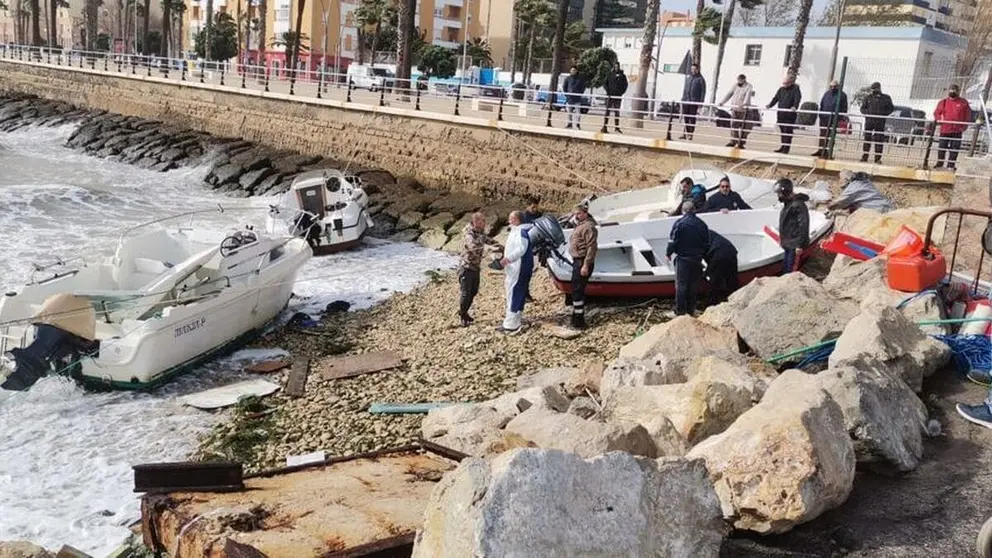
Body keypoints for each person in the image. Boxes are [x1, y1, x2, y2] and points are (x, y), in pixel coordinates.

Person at [457, 212, 503, 327]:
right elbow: (473, 247)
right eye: (482, 220)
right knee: (466, 293)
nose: (485, 222)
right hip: (466, 267)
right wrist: (489, 249)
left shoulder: (480, 232)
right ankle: (463, 315)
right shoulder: (469, 234)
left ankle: (464, 311)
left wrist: (498, 245)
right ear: (476, 222)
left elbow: (486, 239)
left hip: (475, 267)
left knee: (474, 291)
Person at [666, 201, 710, 316]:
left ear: (683, 211)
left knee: (681, 286)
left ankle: (680, 311)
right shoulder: (702, 224)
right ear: (694, 210)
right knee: (693, 285)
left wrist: (668, 253)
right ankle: (691, 310)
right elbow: (707, 243)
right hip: (697, 259)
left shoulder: (680, 224)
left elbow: (673, 241)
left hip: (683, 259)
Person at [498, 211, 534, 333]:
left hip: (518, 267)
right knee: (515, 291)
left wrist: (508, 259)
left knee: (514, 292)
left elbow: (521, 248)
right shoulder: (517, 231)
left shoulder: (521, 232)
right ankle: (514, 319)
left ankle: (510, 325)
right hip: (514, 267)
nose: (509, 221)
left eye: (511, 219)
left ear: (518, 220)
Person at [567, 203, 598, 329]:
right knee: (576, 290)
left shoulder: (589, 227)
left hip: (582, 261)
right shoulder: (580, 225)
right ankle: (575, 316)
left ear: (585, 213)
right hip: (577, 260)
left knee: (577, 291)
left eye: (579, 214)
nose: (576, 216)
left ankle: (579, 321)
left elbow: (591, 247)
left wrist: (585, 265)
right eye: (575, 214)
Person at [775, 178, 810, 274]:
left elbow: (803, 225)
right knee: (786, 267)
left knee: (790, 270)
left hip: (794, 244)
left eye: (779, 193)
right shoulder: (789, 203)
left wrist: (800, 245)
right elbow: (787, 224)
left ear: (786, 192)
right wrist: (782, 239)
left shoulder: (798, 204)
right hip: (788, 243)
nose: (778, 196)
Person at [933, 84, 972, 170]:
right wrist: (940, 120)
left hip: (957, 131)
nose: (952, 92)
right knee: (942, 147)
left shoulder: (963, 102)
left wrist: (964, 126)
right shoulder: (943, 102)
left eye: (954, 90)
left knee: (954, 149)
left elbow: (968, 115)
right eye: (951, 90)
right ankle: (940, 163)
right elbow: (936, 113)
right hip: (945, 130)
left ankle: (951, 165)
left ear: (958, 92)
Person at [828, 170, 894, 214]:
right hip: (888, 207)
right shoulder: (864, 182)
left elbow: (838, 203)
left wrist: (827, 206)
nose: (839, 181)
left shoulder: (852, 187)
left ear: (846, 180)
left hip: (879, 211)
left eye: (840, 179)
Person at [766, 73, 802, 154]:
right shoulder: (781, 89)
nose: (784, 85)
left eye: (786, 83)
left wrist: (794, 107)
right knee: (782, 131)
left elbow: (797, 99)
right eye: (783, 83)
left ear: (790, 83)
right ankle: (782, 146)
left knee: (788, 131)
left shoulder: (796, 89)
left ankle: (786, 148)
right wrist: (770, 105)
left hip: (789, 115)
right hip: (781, 114)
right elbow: (776, 98)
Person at [860, 81, 893, 164]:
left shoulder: (886, 98)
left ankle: (877, 158)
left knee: (879, 140)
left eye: (876, 88)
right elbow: (862, 109)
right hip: (869, 121)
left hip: (880, 122)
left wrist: (883, 114)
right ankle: (865, 156)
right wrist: (868, 113)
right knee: (867, 139)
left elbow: (890, 109)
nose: (874, 91)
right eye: (873, 89)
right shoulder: (868, 98)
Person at [813, 80, 848, 158]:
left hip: (834, 118)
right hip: (824, 117)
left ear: (838, 87)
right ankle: (821, 150)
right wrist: (820, 114)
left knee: (831, 135)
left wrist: (840, 117)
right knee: (822, 134)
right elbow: (822, 104)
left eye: (834, 86)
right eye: (831, 86)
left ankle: (828, 152)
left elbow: (844, 107)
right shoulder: (827, 94)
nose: (832, 88)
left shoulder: (842, 95)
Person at [718, 74, 755, 148]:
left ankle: (741, 143)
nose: (739, 81)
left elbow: (747, 96)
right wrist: (722, 102)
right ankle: (733, 141)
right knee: (733, 125)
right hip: (735, 109)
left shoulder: (749, 86)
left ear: (744, 80)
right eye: (738, 80)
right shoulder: (735, 85)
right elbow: (729, 94)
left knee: (745, 127)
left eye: (740, 80)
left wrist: (744, 104)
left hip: (744, 110)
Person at [704, 229, 739, 305]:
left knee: (714, 282)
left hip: (719, 253)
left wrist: (706, 272)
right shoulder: (706, 231)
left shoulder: (695, 237)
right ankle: (736, 301)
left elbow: (696, 257)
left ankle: (711, 305)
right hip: (731, 251)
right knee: (732, 279)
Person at [680, 63, 706, 140]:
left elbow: (703, 92)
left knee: (692, 118)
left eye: (695, 69)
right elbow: (685, 89)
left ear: (698, 70)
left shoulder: (700, 79)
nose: (693, 71)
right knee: (686, 118)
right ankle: (685, 133)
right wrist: (683, 98)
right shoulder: (689, 78)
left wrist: (701, 102)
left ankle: (690, 134)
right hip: (686, 101)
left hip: (694, 102)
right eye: (692, 69)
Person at [603, 63, 628, 133]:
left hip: (618, 96)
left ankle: (617, 127)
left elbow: (625, 85)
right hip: (610, 96)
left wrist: (621, 92)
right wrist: (608, 91)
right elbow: (605, 83)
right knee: (607, 112)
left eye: (617, 66)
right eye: (615, 66)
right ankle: (604, 127)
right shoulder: (610, 74)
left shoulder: (622, 76)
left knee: (617, 112)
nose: (616, 68)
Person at [562, 66, 586, 130]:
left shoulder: (580, 79)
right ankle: (569, 124)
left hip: (577, 98)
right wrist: (567, 95)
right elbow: (564, 87)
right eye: (572, 70)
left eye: (574, 70)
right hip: (569, 98)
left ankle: (577, 124)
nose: (573, 71)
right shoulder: (567, 78)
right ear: (570, 71)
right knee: (569, 112)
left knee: (578, 113)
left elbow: (583, 87)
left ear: (576, 71)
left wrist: (580, 94)